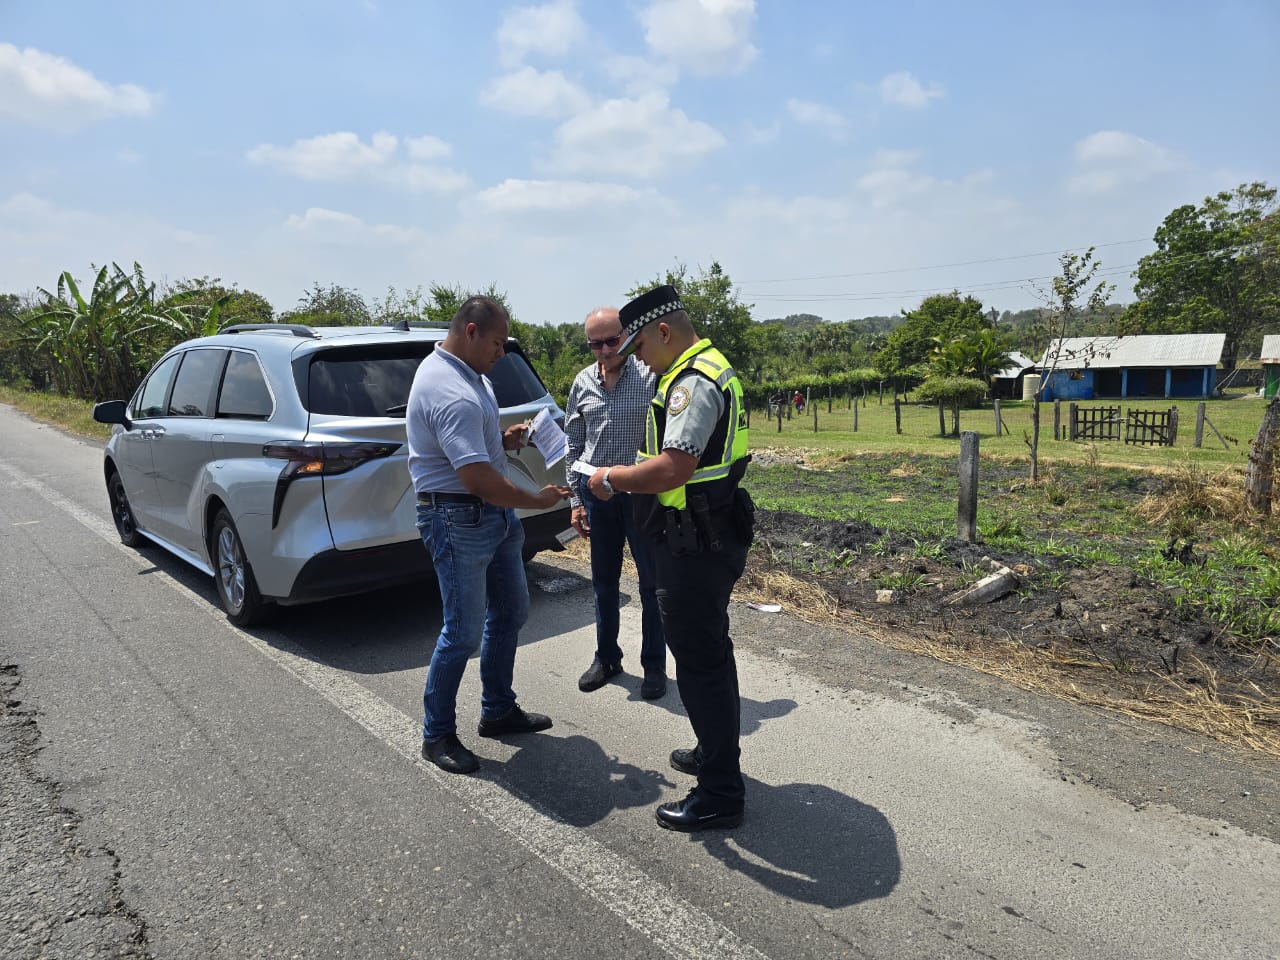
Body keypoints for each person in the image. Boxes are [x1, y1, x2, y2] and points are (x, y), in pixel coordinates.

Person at [588, 284, 754, 833]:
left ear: (663, 332)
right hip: (702, 533)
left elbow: (671, 469)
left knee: (702, 663)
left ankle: (721, 793)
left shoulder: (692, 380)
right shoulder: (702, 368)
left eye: (638, 347)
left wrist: (609, 477)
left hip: (697, 541)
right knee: (709, 655)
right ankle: (715, 754)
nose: (635, 358)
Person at [407, 295, 570, 775]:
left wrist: (505, 439)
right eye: (498, 342)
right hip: (459, 520)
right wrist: (538, 499)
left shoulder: (468, 375)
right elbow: (476, 477)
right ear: (472, 331)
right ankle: (436, 735)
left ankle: (497, 709)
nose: (502, 353)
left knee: (512, 611)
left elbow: (474, 451)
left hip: (490, 519)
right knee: (461, 632)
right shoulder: (448, 389)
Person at [564, 306, 667, 700]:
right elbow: (573, 444)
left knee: (650, 586)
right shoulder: (582, 382)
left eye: (612, 341)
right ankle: (607, 657)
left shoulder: (650, 374)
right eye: (596, 344)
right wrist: (576, 499)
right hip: (598, 498)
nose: (605, 350)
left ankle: (654, 666)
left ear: (626, 336)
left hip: (642, 497)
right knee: (604, 584)